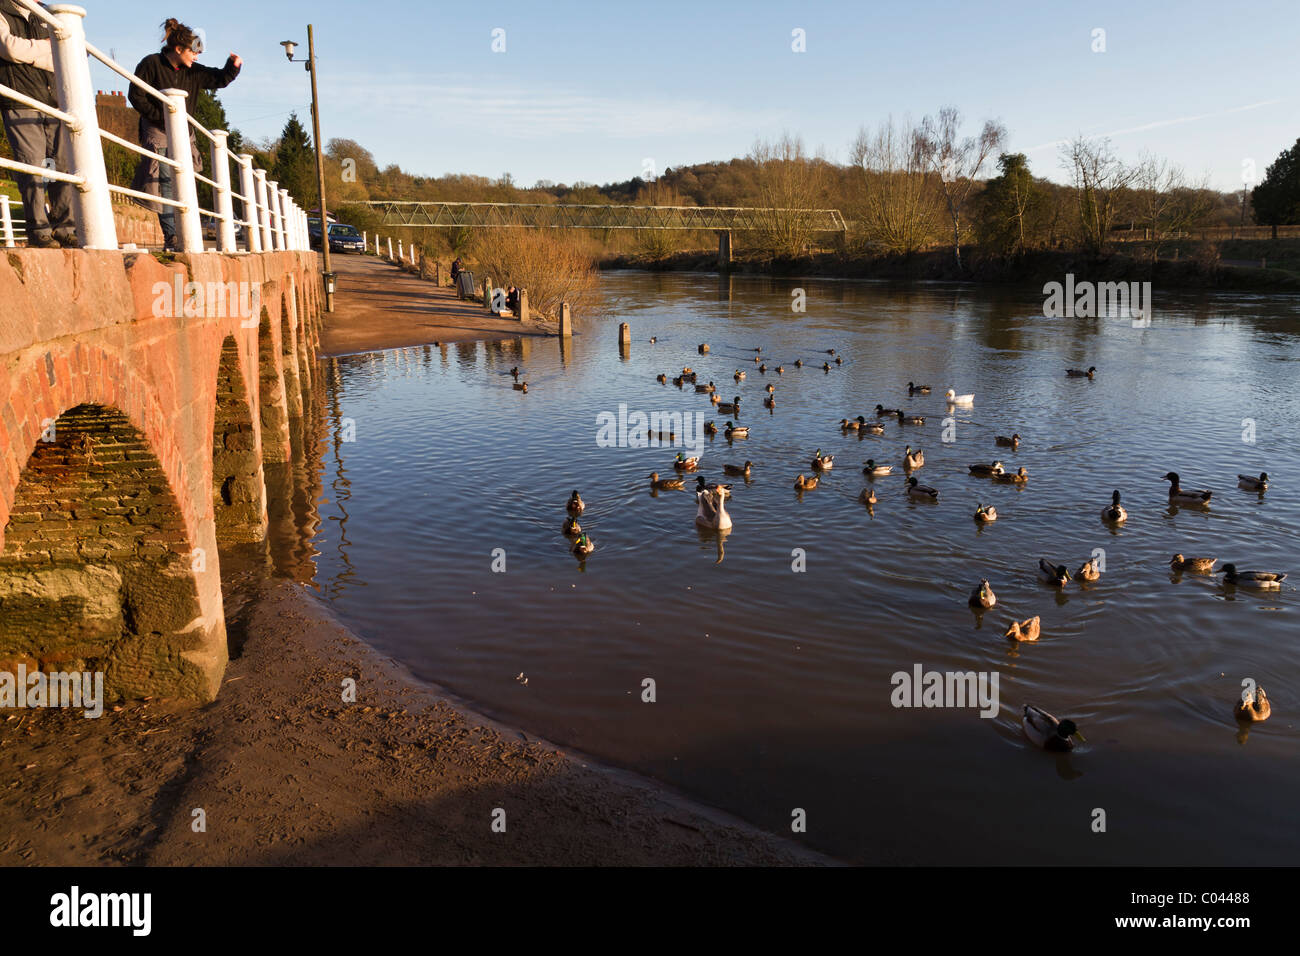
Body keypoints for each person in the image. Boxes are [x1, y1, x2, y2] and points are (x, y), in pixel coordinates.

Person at [128, 18, 240, 251]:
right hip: (158, 131)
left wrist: (233, 66)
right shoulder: (151, 64)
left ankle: (186, 230)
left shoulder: (194, 72)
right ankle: (173, 237)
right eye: (193, 52)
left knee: (187, 180)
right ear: (179, 49)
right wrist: (161, 116)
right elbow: (136, 95)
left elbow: (219, 78)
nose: (197, 57)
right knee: (166, 182)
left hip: (184, 134)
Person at [0, 0, 76, 247]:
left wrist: (31, 54)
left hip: (55, 104)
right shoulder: (2, 9)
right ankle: (39, 231)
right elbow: (9, 48)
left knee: (61, 167)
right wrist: (46, 50)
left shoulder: (49, 13)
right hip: (19, 102)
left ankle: (64, 228)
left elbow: (71, 54)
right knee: (33, 167)